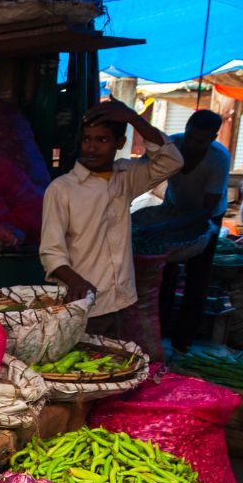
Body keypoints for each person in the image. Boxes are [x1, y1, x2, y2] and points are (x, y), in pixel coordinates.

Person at [40, 99, 184, 338]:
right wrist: (77, 282)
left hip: (122, 301)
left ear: (120, 143)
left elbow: (172, 160)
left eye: (102, 140)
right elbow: (51, 252)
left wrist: (133, 118)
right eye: (87, 139)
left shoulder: (126, 176)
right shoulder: (61, 189)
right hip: (83, 304)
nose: (92, 148)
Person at [147, 110, 230, 354]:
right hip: (174, 208)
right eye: (191, 137)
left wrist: (173, 226)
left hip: (207, 214)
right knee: (165, 274)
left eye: (200, 141)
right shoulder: (174, 144)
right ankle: (158, 335)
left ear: (213, 138)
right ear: (186, 128)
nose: (193, 145)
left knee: (198, 277)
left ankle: (183, 341)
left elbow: (208, 208)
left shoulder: (218, 158)